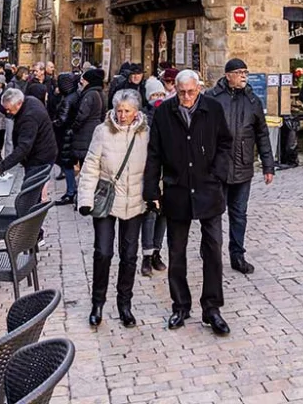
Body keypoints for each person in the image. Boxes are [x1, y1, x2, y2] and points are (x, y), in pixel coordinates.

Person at [144, 69, 232, 336]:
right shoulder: (164, 112)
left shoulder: (213, 109)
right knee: (177, 252)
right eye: (181, 92)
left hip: (208, 188)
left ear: (199, 89)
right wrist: (151, 190)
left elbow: (225, 144)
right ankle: (180, 305)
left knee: (213, 250)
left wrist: (217, 173)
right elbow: (154, 153)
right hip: (178, 190)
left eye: (191, 92)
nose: (186, 97)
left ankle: (212, 307)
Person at [78, 89, 149, 329]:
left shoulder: (145, 134)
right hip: (107, 201)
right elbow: (90, 166)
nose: (122, 115)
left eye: (127, 111)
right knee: (103, 253)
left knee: (129, 256)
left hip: (135, 201)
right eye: (119, 110)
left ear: (136, 111)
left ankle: (124, 305)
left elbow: (154, 166)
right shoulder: (102, 131)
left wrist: (154, 195)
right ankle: (97, 303)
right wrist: (85, 199)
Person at [206, 58, 274, 274]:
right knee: (213, 214)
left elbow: (262, 133)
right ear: (228, 75)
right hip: (219, 167)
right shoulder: (212, 98)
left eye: (246, 71)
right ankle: (211, 255)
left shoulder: (252, 100)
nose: (244, 75)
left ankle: (237, 255)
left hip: (244, 165)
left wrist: (268, 165)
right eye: (239, 72)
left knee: (239, 214)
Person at [0, 87, 57, 180]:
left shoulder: (29, 117)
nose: (7, 112)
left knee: (32, 186)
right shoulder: (29, 101)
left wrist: (1, 167)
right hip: (42, 152)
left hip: (40, 156)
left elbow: (24, 147)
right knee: (39, 184)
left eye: (9, 109)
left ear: (18, 104)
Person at [140, 76, 167, 276]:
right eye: (154, 95)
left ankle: (157, 251)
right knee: (150, 214)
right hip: (151, 171)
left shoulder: (170, 114)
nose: (158, 98)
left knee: (164, 215)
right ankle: (147, 255)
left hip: (168, 173)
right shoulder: (143, 117)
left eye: (160, 94)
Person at [54, 73, 81, 205]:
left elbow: (62, 120)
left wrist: (52, 124)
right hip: (73, 133)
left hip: (66, 134)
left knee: (67, 163)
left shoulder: (68, 99)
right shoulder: (76, 95)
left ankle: (71, 192)